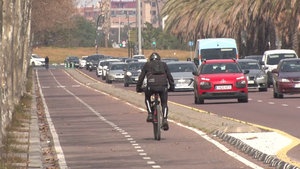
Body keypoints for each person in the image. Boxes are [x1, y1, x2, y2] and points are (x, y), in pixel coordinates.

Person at [136, 52, 175, 131]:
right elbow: (170, 77)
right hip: (163, 86)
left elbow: (141, 77)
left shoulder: (147, 65)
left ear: (150, 59)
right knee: (164, 103)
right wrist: (172, 87)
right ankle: (164, 119)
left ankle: (150, 114)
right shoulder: (164, 65)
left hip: (151, 86)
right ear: (159, 59)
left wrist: (138, 88)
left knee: (147, 97)